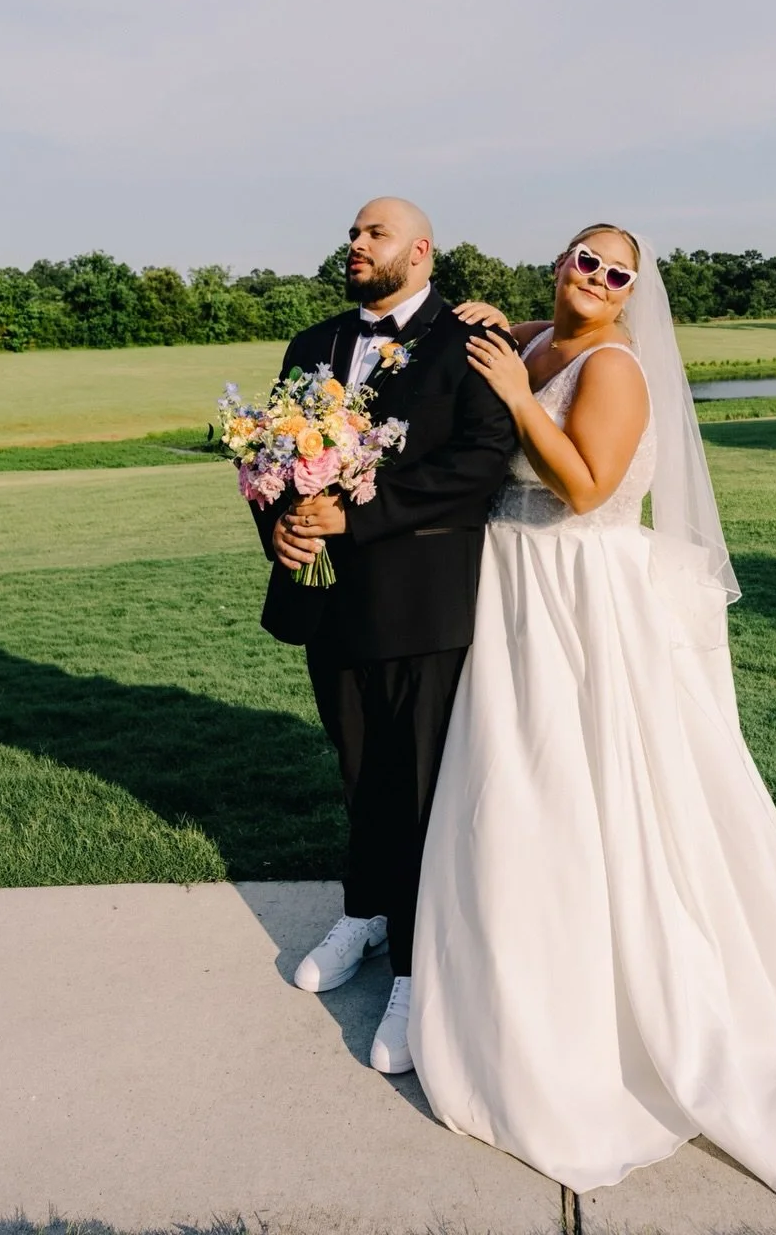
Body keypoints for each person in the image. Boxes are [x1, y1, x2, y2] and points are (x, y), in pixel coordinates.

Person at [407, 224, 776, 1197]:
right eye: (582, 258)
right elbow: (497, 335)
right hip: (515, 589)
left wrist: (517, 401)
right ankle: (512, 1003)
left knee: (587, 786)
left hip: (578, 596)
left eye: (616, 272)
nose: (595, 277)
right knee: (516, 791)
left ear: (633, 292)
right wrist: (482, 329)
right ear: (558, 263)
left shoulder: (615, 369)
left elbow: (587, 484)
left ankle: (617, 1020)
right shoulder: (538, 338)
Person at [250, 197, 517, 1074]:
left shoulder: (472, 340)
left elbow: (479, 465)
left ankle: (414, 966)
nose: (356, 244)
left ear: (421, 250)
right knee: (357, 767)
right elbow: (269, 460)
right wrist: (287, 530)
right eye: (353, 234)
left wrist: (353, 520)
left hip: (422, 606)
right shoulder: (312, 345)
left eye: (375, 234)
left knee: (417, 786)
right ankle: (363, 913)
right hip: (328, 604)